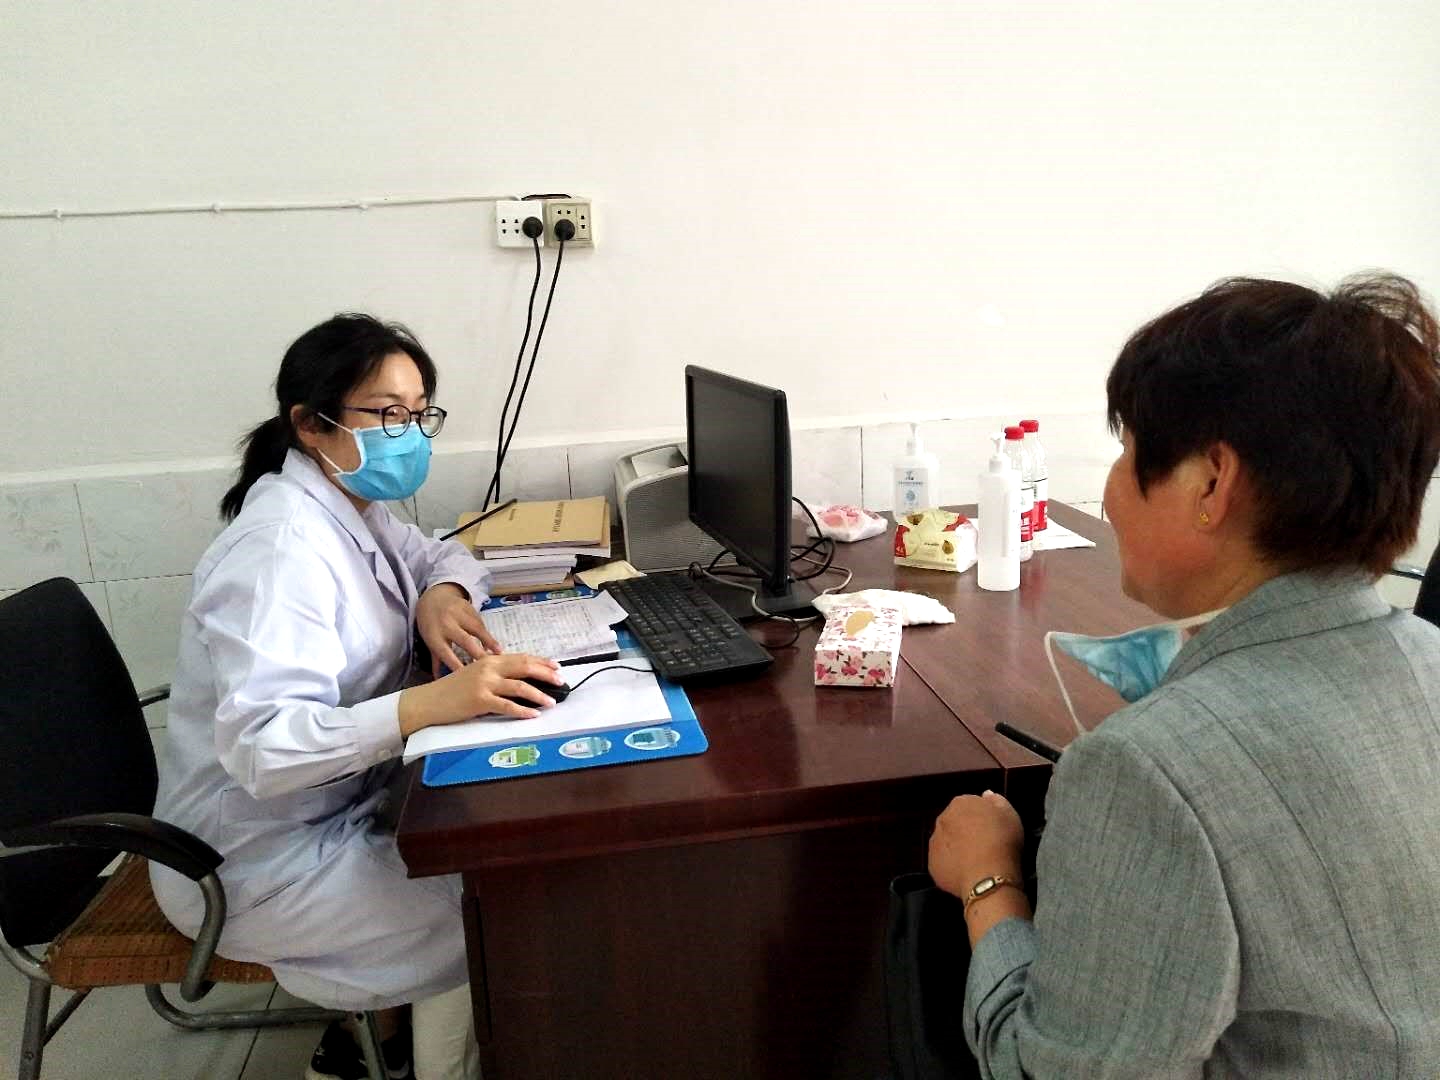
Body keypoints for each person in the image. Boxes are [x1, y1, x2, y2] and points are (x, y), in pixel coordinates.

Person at [928, 273, 1440, 1078]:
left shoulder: (1144, 773)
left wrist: (987, 880)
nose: (1111, 491)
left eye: (1130, 449)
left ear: (1211, 483)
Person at [151, 314, 565, 1080]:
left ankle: (373, 1041)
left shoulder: (349, 506)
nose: (410, 435)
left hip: (338, 808)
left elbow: (443, 554)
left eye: (420, 414)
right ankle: (404, 1058)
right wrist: (428, 706)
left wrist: (440, 595)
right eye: (387, 414)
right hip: (252, 864)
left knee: (499, 844)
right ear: (311, 423)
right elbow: (265, 750)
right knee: (503, 903)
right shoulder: (279, 552)